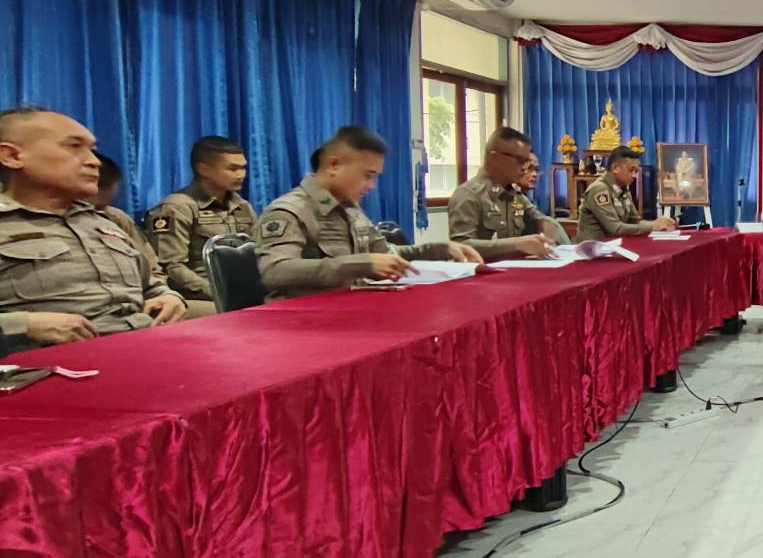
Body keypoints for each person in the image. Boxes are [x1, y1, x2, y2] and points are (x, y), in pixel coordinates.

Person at [0, 106, 185, 349]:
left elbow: (150, 285)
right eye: (74, 146)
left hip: (144, 346)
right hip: (52, 362)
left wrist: (169, 297)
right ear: (12, 156)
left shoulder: (105, 223)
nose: (94, 161)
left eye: (92, 149)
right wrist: (24, 325)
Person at [256, 126, 480, 300]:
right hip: (301, 323)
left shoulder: (350, 209)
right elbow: (275, 271)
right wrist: (359, 264)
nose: (371, 186)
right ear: (333, 165)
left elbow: (386, 255)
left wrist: (440, 249)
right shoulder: (290, 211)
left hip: (349, 313)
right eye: (367, 175)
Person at [144, 135, 257, 317]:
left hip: (241, 292)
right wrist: (222, 292)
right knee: (245, 316)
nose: (240, 175)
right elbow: (171, 268)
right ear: (203, 169)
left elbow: (258, 252)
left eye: (243, 168)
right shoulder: (176, 207)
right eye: (232, 168)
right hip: (197, 295)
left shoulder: (242, 206)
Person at [446, 128, 563, 258]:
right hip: (481, 269)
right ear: (495, 158)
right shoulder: (468, 194)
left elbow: (541, 221)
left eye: (526, 161)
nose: (524, 168)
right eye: (520, 160)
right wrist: (516, 244)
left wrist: (549, 229)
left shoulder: (515, 196)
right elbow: (461, 246)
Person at [579, 145, 679, 239]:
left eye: (636, 171)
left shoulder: (623, 189)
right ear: (615, 168)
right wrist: (652, 226)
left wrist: (660, 223)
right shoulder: (599, 190)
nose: (634, 175)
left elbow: (635, 221)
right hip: (593, 248)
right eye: (631, 170)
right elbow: (615, 229)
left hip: (612, 246)